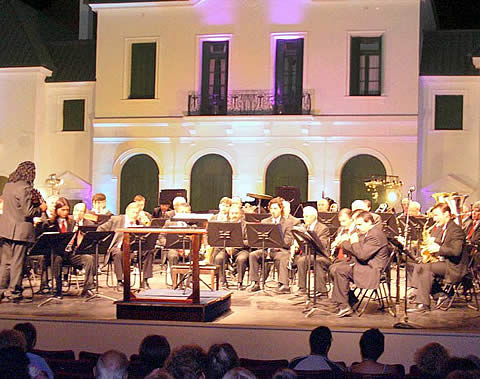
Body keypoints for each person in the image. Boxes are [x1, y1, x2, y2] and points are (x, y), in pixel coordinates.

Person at [0, 161, 46, 301]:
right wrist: (41, 209)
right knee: (17, 262)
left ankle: (2, 290)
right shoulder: (25, 188)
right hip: (20, 231)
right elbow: (28, 212)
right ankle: (14, 292)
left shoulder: (7, 187)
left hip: (6, 229)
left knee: (6, 262)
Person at [409, 203, 467, 313]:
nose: (434, 219)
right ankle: (439, 295)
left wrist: (438, 249)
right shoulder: (442, 229)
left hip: (454, 267)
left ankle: (421, 300)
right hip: (444, 263)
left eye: (436, 215)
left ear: (446, 214)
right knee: (421, 266)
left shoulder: (456, 230)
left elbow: (456, 251)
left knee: (425, 268)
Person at [330, 211, 389, 317]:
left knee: (340, 270)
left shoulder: (374, 235)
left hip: (372, 269)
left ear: (370, 222)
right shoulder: (367, 232)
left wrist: (352, 242)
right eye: (356, 224)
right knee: (334, 267)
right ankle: (349, 299)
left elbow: (361, 255)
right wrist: (346, 242)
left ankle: (344, 306)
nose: (357, 227)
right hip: (364, 264)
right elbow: (356, 250)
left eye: (360, 224)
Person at [37, 198, 95, 298]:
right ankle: (58, 290)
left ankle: (87, 289)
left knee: (89, 258)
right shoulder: (49, 224)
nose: (65, 212)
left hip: (70, 254)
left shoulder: (72, 222)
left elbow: (77, 240)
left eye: (67, 210)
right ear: (56, 210)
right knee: (57, 259)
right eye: (62, 210)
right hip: (56, 254)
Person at [97, 202, 152, 290]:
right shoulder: (116, 219)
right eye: (133, 212)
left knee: (148, 251)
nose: (135, 215)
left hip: (134, 250)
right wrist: (107, 243)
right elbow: (100, 229)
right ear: (127, 212)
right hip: (119, 249)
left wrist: (144, 224)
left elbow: (147, 236)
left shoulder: (139, 222)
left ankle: (145, 280)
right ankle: (120, 281)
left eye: (137, 213)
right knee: (118, 253)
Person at [248, 197, 294, 294]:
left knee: (283, 257)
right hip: (266, 250)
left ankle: (284, 285)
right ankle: (255, 282)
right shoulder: (265, 222)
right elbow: (259, 239)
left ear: (281, 209)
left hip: (280, 250)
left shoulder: (287, 223)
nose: (273, 211)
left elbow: (288, 241)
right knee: (253, 255)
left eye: (275, 208)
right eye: (271, 208)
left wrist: (277, 243)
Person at [294, 206, 330, 295]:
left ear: (313, 217)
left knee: (303, 260)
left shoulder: (322, 228)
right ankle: (302, 287)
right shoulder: (304, 227)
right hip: (308, 254)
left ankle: (321, 290)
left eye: (307, 216)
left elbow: (323, 245)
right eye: (304, 216)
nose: (304, 219)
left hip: (321, 255)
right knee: (300, 259)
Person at [228, 205, 250, 290]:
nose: (234, 215)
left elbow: (249, 241)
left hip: (243, 249)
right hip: (228, 249)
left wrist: (235, 244)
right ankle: (222, 282)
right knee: (219, 257)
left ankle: (240, 282)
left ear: (241, 214)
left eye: (236, 213)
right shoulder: (224, 224)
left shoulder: (246, 225)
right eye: (232, 213)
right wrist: (227, 246)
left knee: (242, 259)